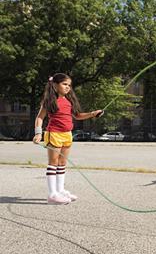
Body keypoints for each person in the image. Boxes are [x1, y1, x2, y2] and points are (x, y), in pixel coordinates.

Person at [33, 73, 103, 204]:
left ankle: (60, 190)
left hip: (67, 134)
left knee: (62, 164)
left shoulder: (69, 101)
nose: (67, 87)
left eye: (69, 85)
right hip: (54, 134)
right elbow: (40, 118)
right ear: (54, 85)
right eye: (64, 84)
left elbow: (77, 116)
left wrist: (92, 114)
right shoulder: (49, 101)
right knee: (53, 164)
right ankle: (52, 195)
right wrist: (38, 133)